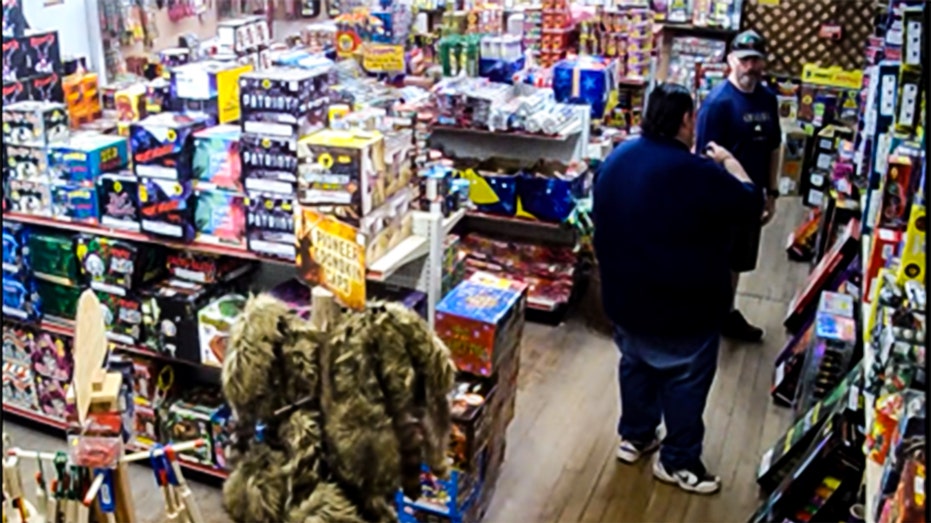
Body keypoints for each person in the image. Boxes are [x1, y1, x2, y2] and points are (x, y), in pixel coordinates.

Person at [593, 83, 763, 494]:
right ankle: (679, 460)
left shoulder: (617, 158)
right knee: (685, 377)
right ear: (687, 120)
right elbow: (749, 204)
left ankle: (636, 436)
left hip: (622, 295)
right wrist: (731, 163)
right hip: (683, 304)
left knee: (635, 364)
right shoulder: (696, 172)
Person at [695, 29, 783, 342]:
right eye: (744, 60)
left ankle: (725, 314)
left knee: (737, 261)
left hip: (751, 196)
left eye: (756, 60)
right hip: (721, 199)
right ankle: (706, 318)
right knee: (714, 260)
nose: (750, 66)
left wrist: (771, 192)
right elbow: (704, 158)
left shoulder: (768, 99)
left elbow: (773, 146)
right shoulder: (717, 103)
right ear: (731, 60)